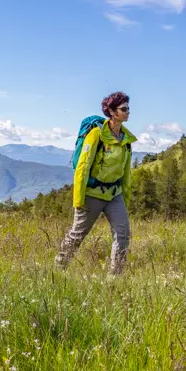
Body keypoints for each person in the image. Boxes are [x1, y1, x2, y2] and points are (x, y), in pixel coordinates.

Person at [56, 92, 136, 275]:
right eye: (124, 109)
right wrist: (78, 200)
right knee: (77, 235)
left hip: (114, 194)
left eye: (128, 108)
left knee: (122, 234)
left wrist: (125, 198)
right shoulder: (96, 135)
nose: (128, 112)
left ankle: (115, 278)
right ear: (112, 112)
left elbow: (126, 173)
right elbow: (82, 168)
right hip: (92, 193)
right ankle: (58, 269)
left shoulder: (126, 140)